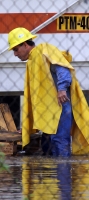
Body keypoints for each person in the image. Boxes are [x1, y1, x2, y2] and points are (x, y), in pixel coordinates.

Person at [8, 27, 89, 157]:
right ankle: (54, 175)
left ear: (24, 44)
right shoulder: (32, 61)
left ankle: (63, 175)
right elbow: (35, 97)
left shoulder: (44, 50)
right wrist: (28, 127)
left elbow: (63, 70)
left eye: (16, 49)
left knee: (59, 143)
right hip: (49, 114)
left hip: (60, 108)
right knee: (48, 146)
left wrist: (62, 90)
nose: (15, 54)